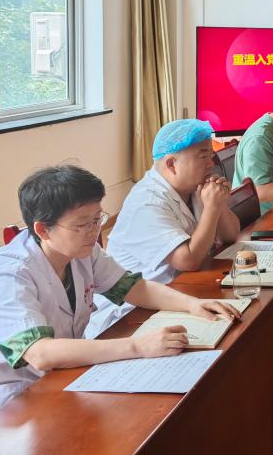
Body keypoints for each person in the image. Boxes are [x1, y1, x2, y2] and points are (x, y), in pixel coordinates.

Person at [0, 165, 240, 410]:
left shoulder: (81, 251)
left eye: (97, 219)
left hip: (64, 375)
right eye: (82, 224)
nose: (94, 231)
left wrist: (192, 304)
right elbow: (40, 354)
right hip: (14, 400)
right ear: (43, 230)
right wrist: (137, 346)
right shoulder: (9, 276)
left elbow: (135, 288)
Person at [86, 118, 241, 337]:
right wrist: (212, 207)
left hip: (181, 291)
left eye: (211, 155)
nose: (211, 164)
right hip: (134, 314)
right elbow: (188, 260)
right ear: (171, 164)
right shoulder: (147, 203)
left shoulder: (193, 188)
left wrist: (218, 204)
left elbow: (231, 235)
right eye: (203, 156)